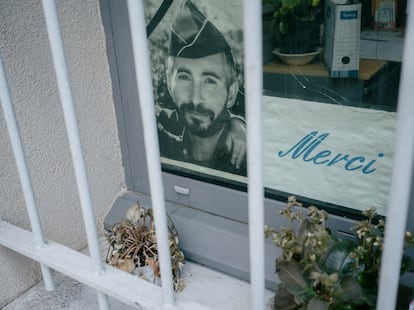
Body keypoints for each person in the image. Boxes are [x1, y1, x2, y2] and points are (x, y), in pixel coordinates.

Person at [156, 0, 246, 176]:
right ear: (168, 82)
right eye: (184, 77)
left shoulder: (248, 155)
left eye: (209, 81)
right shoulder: (162, 129)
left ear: (231, 93)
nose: (195, 99)